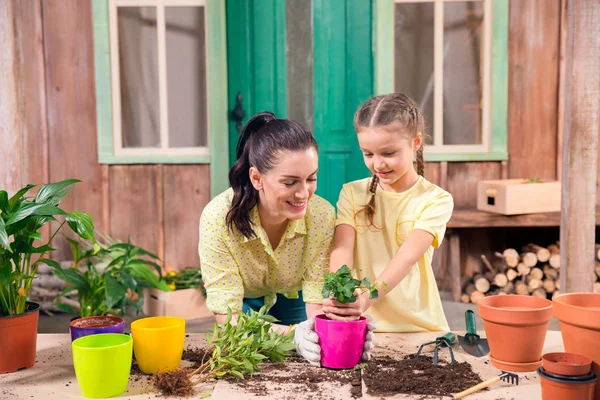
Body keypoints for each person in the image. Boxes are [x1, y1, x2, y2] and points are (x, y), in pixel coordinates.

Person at [198, 112, 374, 365]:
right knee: (241, 346)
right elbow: (230, 323)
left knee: (313, 348)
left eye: (311, 178)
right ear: (256, 178)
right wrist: (296, 335)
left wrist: (344, 333)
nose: (304, 193)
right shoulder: (218, 218)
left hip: (292, 294)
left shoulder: (321, 215)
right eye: (290, 182)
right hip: (244, 298)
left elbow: (315, 305)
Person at [322, 93, 454, 332]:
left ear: (416, 143)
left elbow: (406, 258)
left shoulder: (435, 200)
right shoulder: (352, 193)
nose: (378, 164)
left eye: (388, 153)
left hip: (419, 326)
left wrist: (366, 299)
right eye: (368, 154)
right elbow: (342, 249)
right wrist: (340, 293)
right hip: (362, 324)